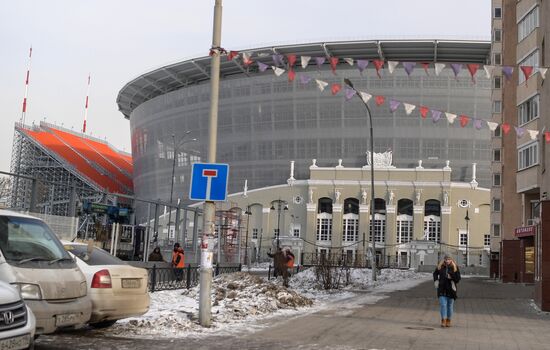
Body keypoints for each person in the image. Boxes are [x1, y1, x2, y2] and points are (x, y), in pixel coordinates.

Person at [433, 254, 461, 328]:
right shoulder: (440, 266)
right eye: (446, 259)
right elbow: (435, 273)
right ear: (444, 259)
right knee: (443, 305)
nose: (447, 261)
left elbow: (458, 279)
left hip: (451, 289)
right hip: (442, 288)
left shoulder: (455, 267)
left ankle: (448, 320)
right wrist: (436, 281)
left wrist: (451, 276)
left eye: (449, 259)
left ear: (451, 260)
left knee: (449, 306)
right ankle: (443, 320)